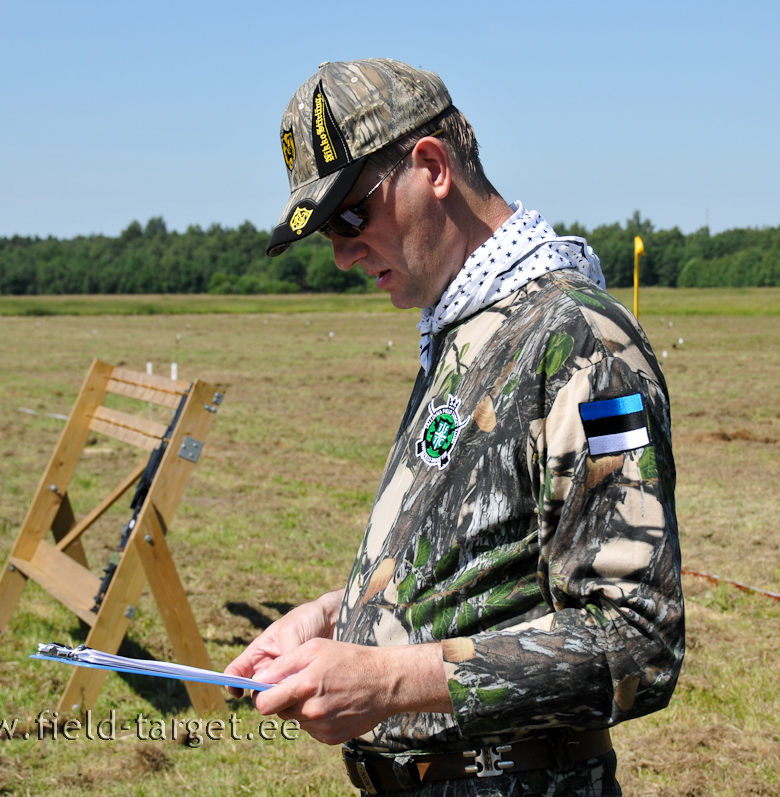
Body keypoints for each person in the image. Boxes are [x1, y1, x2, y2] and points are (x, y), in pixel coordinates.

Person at [226, 58, 684, 796]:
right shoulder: (462, 330)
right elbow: (479, 572)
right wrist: (328, 620)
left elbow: (637, 640)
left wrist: (389, 680)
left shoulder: (585, 344)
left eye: (351, 215)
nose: (342, 254)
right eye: (324, 235)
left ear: (432, 165)